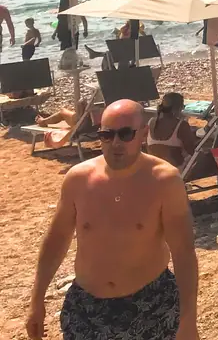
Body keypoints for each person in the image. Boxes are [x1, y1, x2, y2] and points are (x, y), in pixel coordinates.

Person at [27, 100, 198, 340]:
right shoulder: (78, 179)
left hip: (151, 306)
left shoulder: (164, 181)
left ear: (144, 134)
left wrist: (189, 321)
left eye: (125, 134)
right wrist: (37, 301)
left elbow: (184, 253)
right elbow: (56, 240)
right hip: (85, 310)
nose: (116, 143)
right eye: (106, 135)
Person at [145, 93, 198, 169]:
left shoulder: (151, 122)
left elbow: (148, 148)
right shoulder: (181, 125)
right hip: (176, 172)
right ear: (178, 108)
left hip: (155, 169)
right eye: (183, 106)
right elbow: (192, 151)